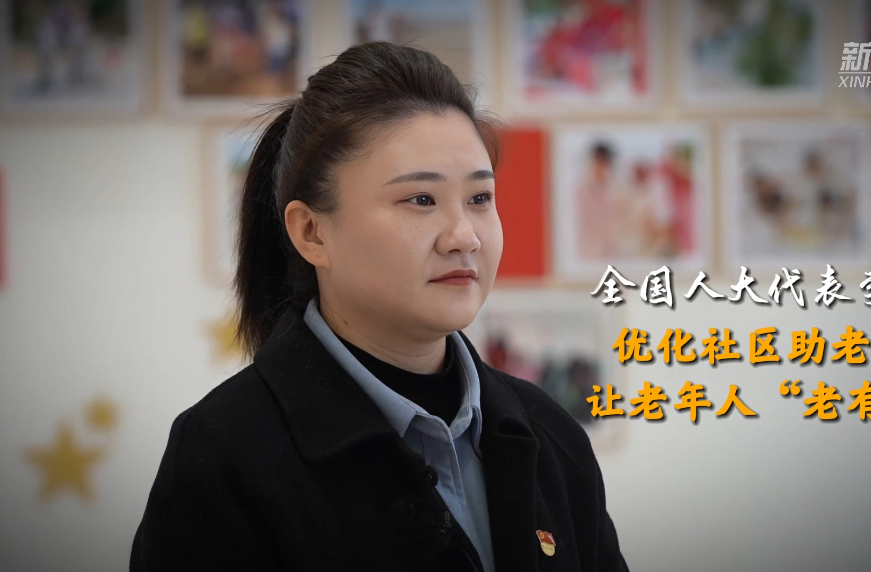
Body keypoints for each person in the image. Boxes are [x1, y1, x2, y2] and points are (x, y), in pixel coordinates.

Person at [129, 41, 628, 571]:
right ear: (312, 232)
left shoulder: (550, 431)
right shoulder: (223, 457)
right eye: (420, 200)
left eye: (480, 198)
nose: (464, 236)